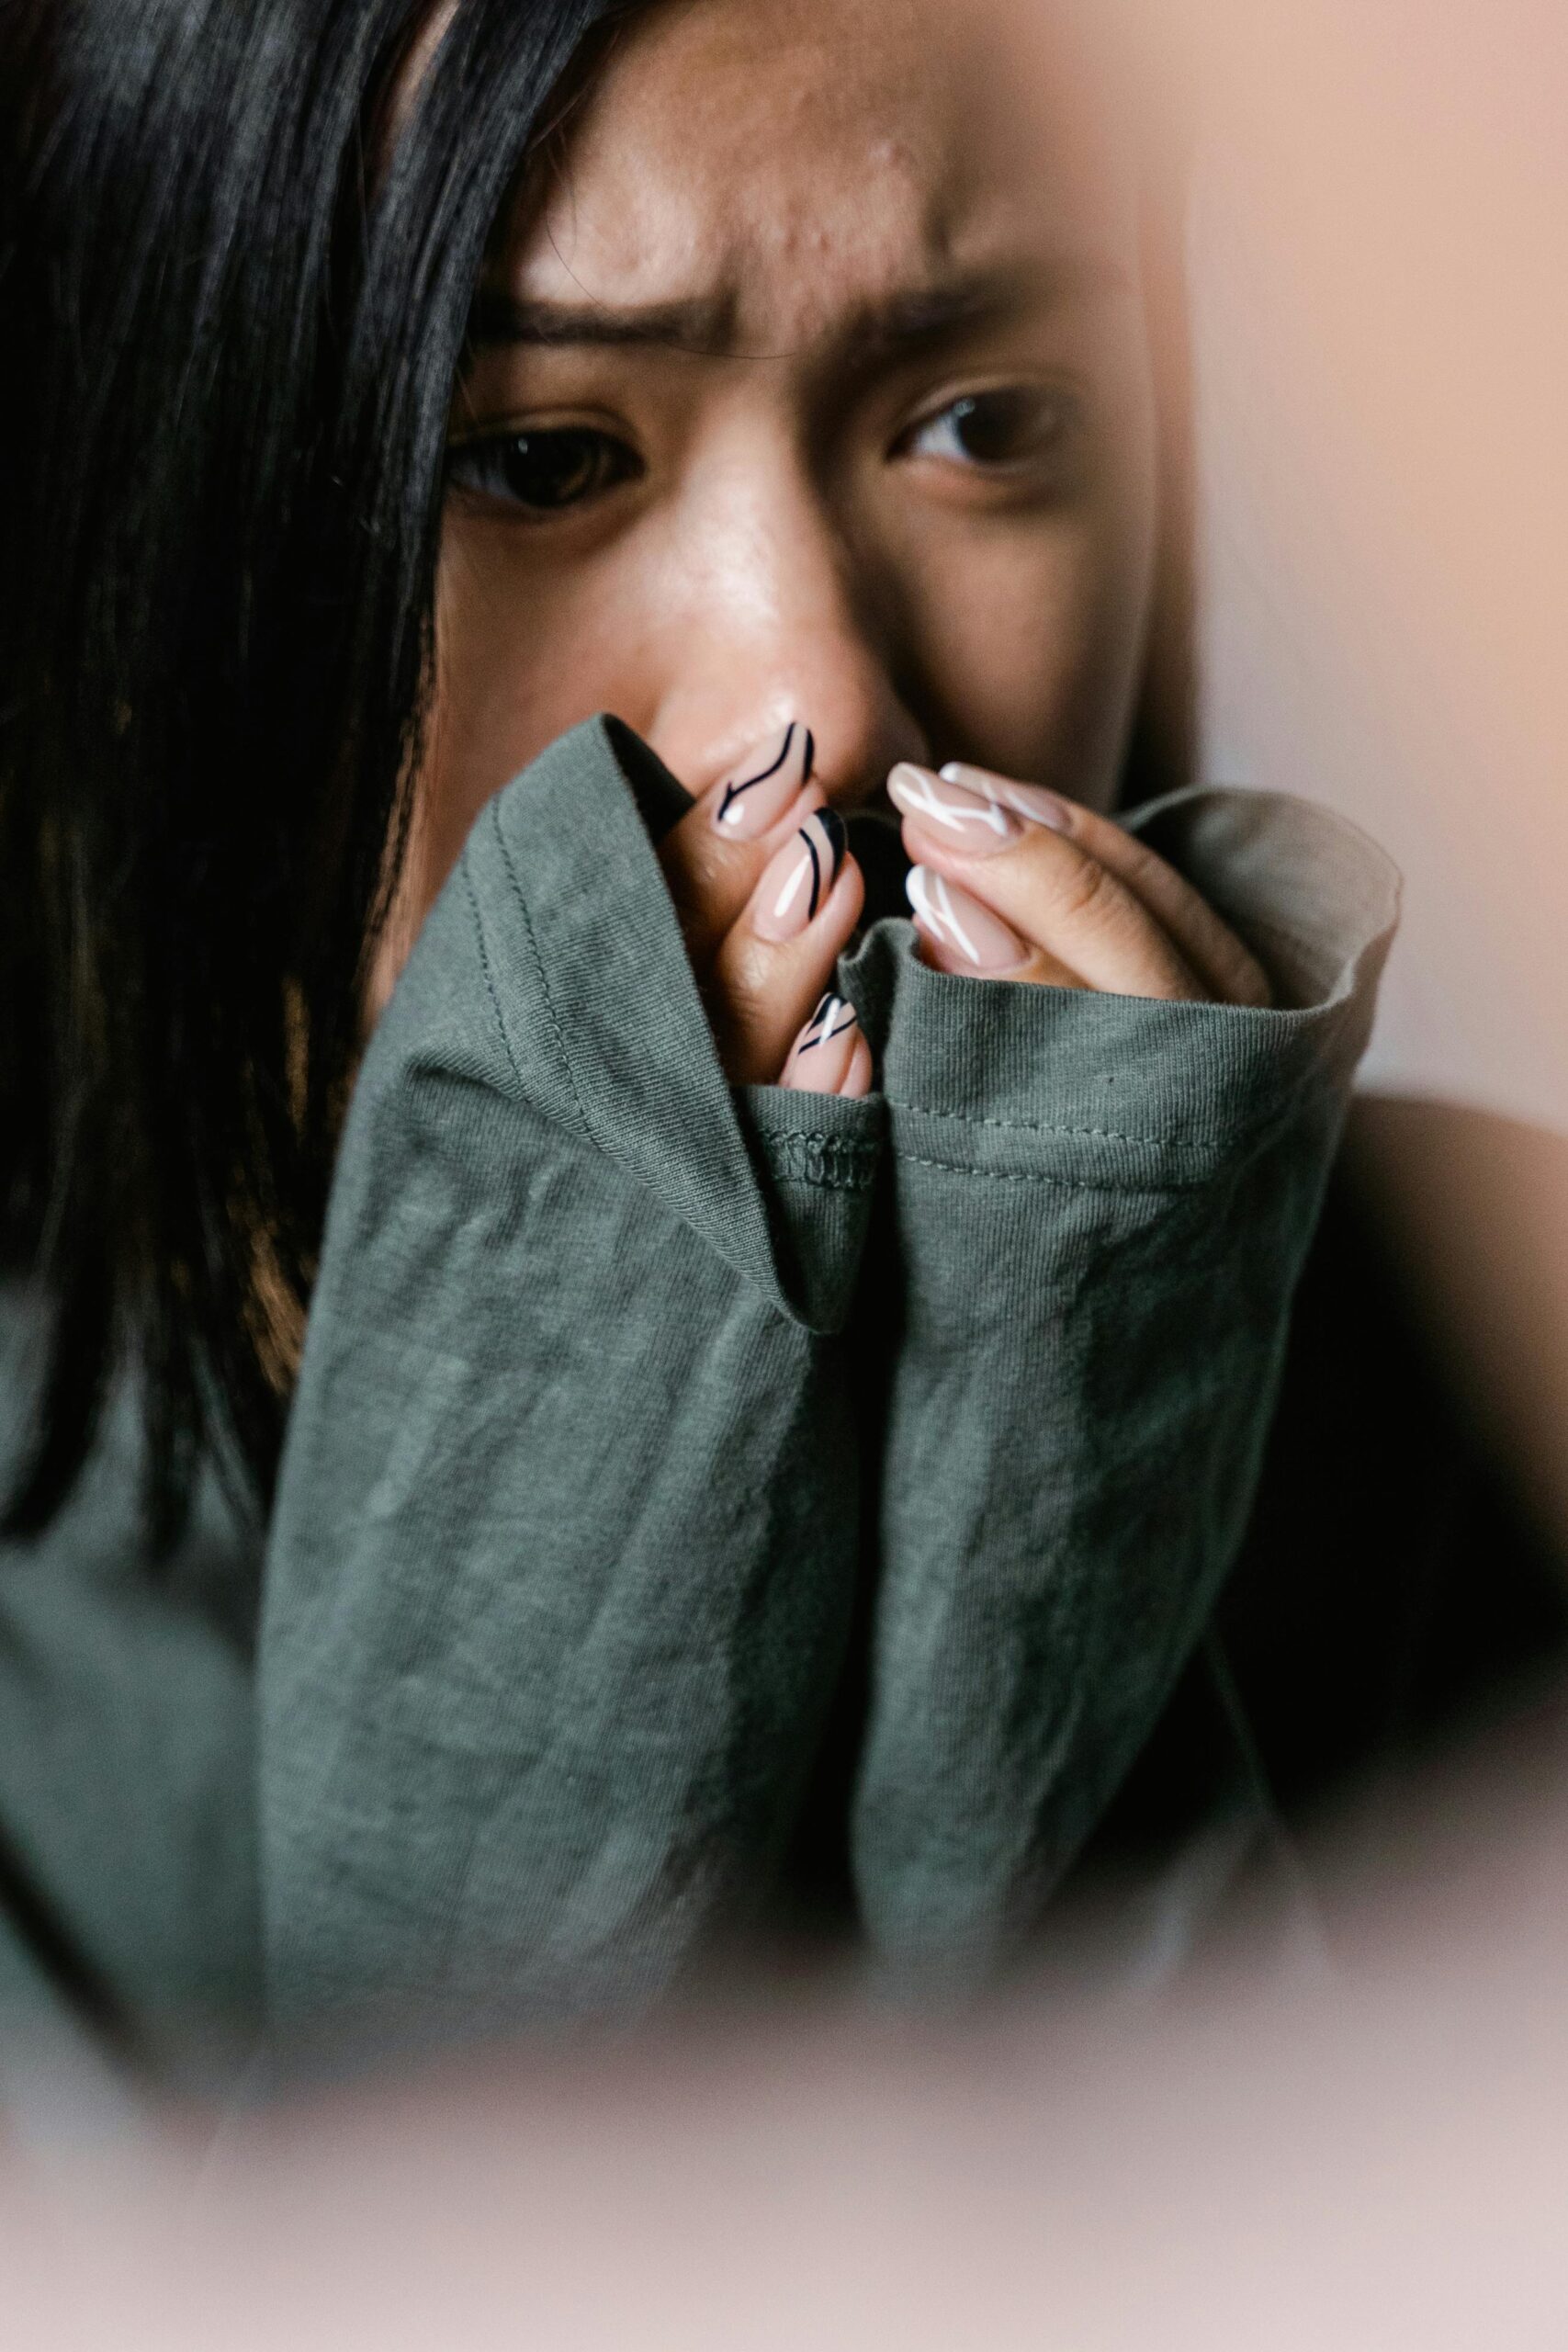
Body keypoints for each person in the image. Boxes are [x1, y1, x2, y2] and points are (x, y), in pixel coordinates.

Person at [0, 0, 1535, 2095]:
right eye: (540, 458)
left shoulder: (1501, 1383)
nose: (819, 684)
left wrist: (1056, 1608)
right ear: (129, 560)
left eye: (990, 420)